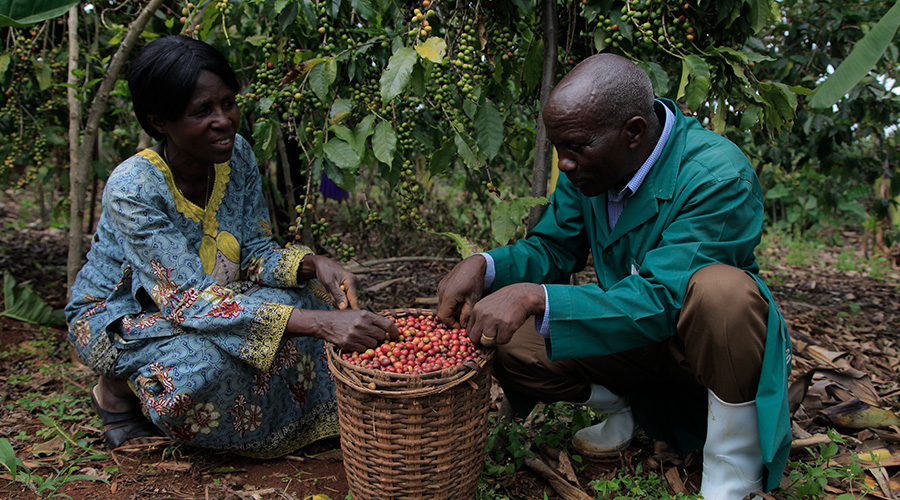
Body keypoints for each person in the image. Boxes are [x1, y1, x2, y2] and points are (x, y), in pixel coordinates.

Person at [436, 54, 791, 500]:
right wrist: (484, 265)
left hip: (701, 348)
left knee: (724, 292)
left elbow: (663, 297)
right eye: (558, 148)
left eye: (576, 147)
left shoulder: (717, 175)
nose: (564, 164)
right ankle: (627, 407)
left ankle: (732, 460)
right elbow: (553, 246)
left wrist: (536, 298)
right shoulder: (590, 165)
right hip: (631, 338)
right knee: (506, 344)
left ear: (634, 132)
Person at [65, 35, 397, 457]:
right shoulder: (134, 188)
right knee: (200, 369)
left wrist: (315, 264)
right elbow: (188, 302)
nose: (224, 120)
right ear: (159, 121)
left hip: (212, 298)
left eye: (228, 103)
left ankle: (303, 422)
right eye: (202, 111)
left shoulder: (235, 154)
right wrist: (319, 324)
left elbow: (254, 250)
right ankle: (116, 391)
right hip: (123, 318)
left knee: (312, 295)